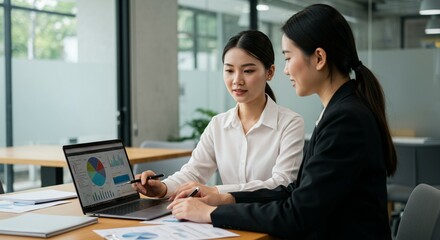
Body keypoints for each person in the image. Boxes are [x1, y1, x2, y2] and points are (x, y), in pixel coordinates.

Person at [167, 4, 397, 239]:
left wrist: (212, 214)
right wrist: (228, 198)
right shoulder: (340, 110)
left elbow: (297, 215)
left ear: (319, 58)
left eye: (288, 58)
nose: (286, 70)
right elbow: (295, 192)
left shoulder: (345, 119)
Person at [133, 30, 304, 200]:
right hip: (226, 219)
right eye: (229, 71)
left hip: (269, 220)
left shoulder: (289, 123)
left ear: (270, 72)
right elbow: (194, 172)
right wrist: (162, 188)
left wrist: (216, 191)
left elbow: (282, 183)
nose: (237, 80)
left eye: (248, 71)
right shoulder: (218, 124)